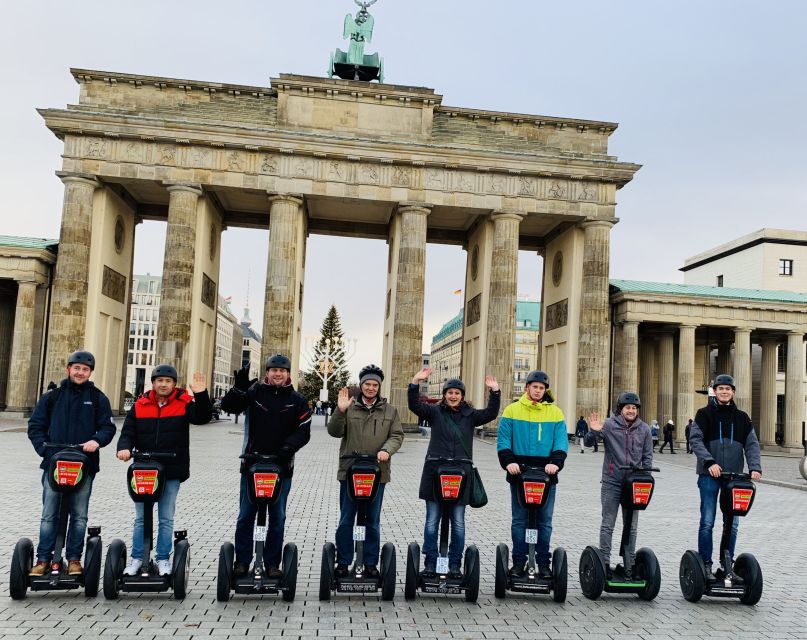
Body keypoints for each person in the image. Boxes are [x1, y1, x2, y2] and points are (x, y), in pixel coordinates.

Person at [221, 354, 312, 578]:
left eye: (282, 370)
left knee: (277, 517)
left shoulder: (297, 399)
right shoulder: (255, 392)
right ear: (267, 373)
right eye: (273, 370)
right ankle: (242, 560)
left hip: (282, 465)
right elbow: (229, 407)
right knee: (246, 515)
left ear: (288, 373)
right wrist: (239, 389)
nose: (278, 374)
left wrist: (288, 448)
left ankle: (272, 563)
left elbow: (304, 430)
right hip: (252, 464)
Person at [27, 351, 116, 576]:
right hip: (53, 464)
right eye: (76, 368)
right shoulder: (52, 397)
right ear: (68, 369)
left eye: (85, 369)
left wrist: (96, 441)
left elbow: (108, 427)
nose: (80, 372)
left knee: (79, 514)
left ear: (90, 372)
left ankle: (74, 559)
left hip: (83, 465)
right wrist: (43, 448)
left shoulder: (97, 398)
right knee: (49, 513)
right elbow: (35, 426)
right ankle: (43, 559)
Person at [116, 365, 212, 576]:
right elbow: (128, 431)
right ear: (153, 383)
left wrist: (201, 394)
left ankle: (162, 559)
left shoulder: (184, 403)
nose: (163, 384)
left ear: (174, 384)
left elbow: (203, 417)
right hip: (144, 469)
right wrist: (123, 448)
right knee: (141, 518)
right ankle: (137, 558)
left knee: (166, 517)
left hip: (172, 468)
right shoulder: (140, 404)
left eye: (168, 381)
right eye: (159, 380)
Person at [409, 367, 500, 578]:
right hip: (435, 470)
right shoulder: (434, 412)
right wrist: (415, 382)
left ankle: (454, 564)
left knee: (458, 521)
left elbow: (491, 413)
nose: (453, 396)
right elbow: (414, 405)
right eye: (449, 392)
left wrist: (495, 392)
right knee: (432, 520)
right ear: (444, 394)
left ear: (462, 396)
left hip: (461, 471)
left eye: (457, 393)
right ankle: (431, 563)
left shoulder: (470, 416)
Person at [327, 364, 404, 578]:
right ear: (361, 386)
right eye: (367, 384)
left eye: (374, 385)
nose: (371, 388)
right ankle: (343, 561)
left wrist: (387, 451)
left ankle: (370, 562)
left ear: (379, 387)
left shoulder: (390, 410)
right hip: (350, 471)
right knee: (346, 518)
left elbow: (397, 435)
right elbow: (334, 432)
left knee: (372, 519)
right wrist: (340, 411)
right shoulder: (349, 407)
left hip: (377, 473)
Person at [689, 374, 762, 581]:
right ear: (715, 391)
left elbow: (752, 444)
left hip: (734, 478)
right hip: (709, 475)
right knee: (708, 521)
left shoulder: (742, 418)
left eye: (728, 389)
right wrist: (709, 462)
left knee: (733, 523)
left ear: (733, 392)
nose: (724, 392)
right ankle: (705, 564)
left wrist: (755, 467)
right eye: (720, 388)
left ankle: (727, 565)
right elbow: (695, 440)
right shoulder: (704, 414)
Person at [497, 370, 568, 579]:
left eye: (542, 388)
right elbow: (503, 441)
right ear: (527, 387)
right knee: (519, 520)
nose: (538, 391)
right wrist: (509, 462)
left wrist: (555, 463)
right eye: (534, 387)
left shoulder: (555, 413)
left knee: (544, 521)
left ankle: (543, 563)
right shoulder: (512, 410)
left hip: (546, 475)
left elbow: (561, 443)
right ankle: (519, 562)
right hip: (520, 473)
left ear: (545, 390)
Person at [585, 392, 653, 578]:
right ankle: (604, 563)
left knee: (631, 526)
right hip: (612, 481)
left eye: (634, 408)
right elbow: (589, 443)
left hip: (634, 483)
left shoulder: (644, 429)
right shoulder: (608, 425)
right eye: (627, 408)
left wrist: (645, 477)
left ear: (638, 410)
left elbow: (647, 456)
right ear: (620, 409)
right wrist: (594, 431)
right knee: (608, 523)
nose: (631, 411)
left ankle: (629, 564)